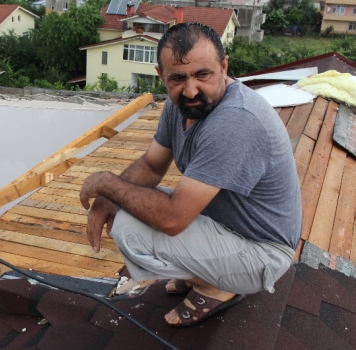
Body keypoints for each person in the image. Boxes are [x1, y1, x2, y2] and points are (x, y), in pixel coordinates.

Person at [79, 23, 301, 328]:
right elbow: (152, 166)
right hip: (225, 226)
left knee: (129, 229)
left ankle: (217, 286)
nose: (191, 89)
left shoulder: (235, 121)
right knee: (125, 208)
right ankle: (203, 271)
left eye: (203, 74)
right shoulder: (181, 104)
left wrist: (107, 184)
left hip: (262, 253)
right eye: (178, 78)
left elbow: (173, 219)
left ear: (224, 66)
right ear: (162, 75)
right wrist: (108, 198)